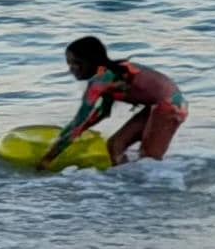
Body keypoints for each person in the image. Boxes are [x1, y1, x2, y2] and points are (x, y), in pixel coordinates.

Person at [43, 34, 186, 167]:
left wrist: (48, 158)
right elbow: (102, 113)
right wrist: (67, 134)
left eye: (75, 63)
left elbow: (79, 122)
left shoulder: (100, 80)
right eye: (69, 63)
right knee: (114, 146)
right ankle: (124, 183)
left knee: (148, 159)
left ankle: (157, 183)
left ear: (89, 62)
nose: (71, 69)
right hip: (157, 106)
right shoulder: (105, 75)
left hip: (170, 106)